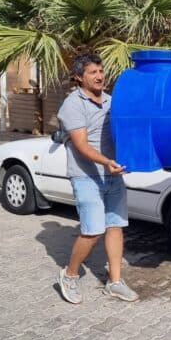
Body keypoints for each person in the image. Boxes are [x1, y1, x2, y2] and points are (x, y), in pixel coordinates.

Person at [56, 52, 138, 304]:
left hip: (112, 173)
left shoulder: (112, 102)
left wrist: (132, 159)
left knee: (115, 227)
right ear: (79, 77)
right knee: (93, 231)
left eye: (101, 71)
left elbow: (124, 135)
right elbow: (81, 145)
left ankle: (114, 282)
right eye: (93, 72)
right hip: (87, 176)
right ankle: (70, 275)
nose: (100, 76)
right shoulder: (72, 105)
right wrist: (107, 162)